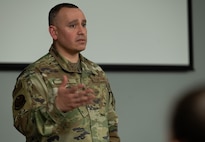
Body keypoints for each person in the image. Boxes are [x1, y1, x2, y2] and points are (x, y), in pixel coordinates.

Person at [12, 3, 120, 142]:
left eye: (84, 24)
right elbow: (23, 125)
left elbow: (111, 123)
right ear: (54, 32)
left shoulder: (96, 72)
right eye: (73, 25)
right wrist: (55, 107)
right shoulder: (35, 75)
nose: (81, 31)